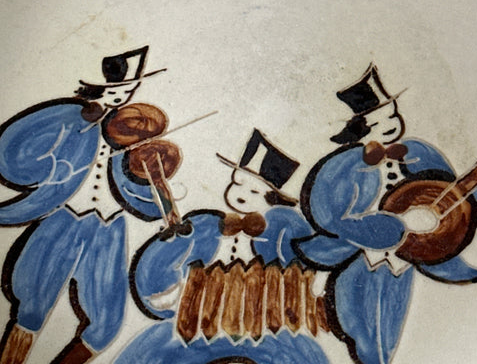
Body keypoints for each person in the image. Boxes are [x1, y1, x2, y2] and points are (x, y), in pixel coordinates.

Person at [295, 64, 477, 364]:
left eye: (392, 115)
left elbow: (462, 195)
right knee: (361, 322)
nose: (390, 125)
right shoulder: (342, 167)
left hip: (410, 256)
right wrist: (388, 228)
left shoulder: (418, 151)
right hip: (365, 257)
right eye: (379, 122)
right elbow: (328, 217)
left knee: (391, 321)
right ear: (359, 129)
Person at [0, 46, 168, 364]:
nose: (122, 96)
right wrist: (68, 130)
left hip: (108, 229)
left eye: (129, 89)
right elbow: (12, 151)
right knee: (32, 305)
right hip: (65, 218)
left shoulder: (135, 135)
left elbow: (149, 205)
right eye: (116, 88)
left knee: (105, 323)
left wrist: (147, 174)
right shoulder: (70, 116)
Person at [117, 129, 331, 364]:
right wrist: (173, 283)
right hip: (198, 321)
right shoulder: (204, 227)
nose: (241, 195)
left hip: (262, 326)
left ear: (272, 199)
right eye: (238, 183)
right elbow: (159, 271)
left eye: (253, 191)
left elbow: (304, 271)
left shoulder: (282, 234)